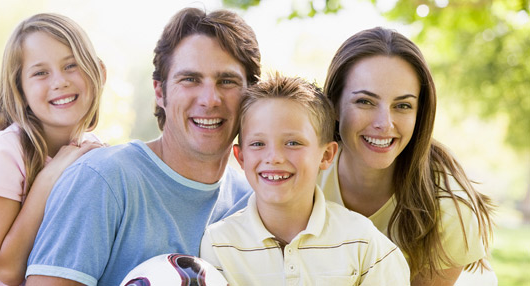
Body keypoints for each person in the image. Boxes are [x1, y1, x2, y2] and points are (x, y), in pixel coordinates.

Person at [25, 7, 261, 285]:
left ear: (251, 95)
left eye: (227, 81)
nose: (210, 99)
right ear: (160, 92)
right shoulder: (102, 181)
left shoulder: (253, 202)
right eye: (190, 79)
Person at [318, 27, 496, 285]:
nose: (385, 123)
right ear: (333, 104)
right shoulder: (304, 177)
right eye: (365, 102)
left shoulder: (449, 207)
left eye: (402, 106)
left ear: (419, 113)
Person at [0, 13, 106, 286]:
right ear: (20, 88)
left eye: (71, 65)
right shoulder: (3, 152)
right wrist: (50, 176)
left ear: (99, 73)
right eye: (40, 72)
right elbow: (8, 269)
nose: (59, 81)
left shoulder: (91, 153)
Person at [200, 73, 410, 285]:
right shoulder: (219, 245)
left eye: (293, 143)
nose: (274, 158)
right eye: (258, 144)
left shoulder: (363, 243)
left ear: (326, 155)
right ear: (241, 157)